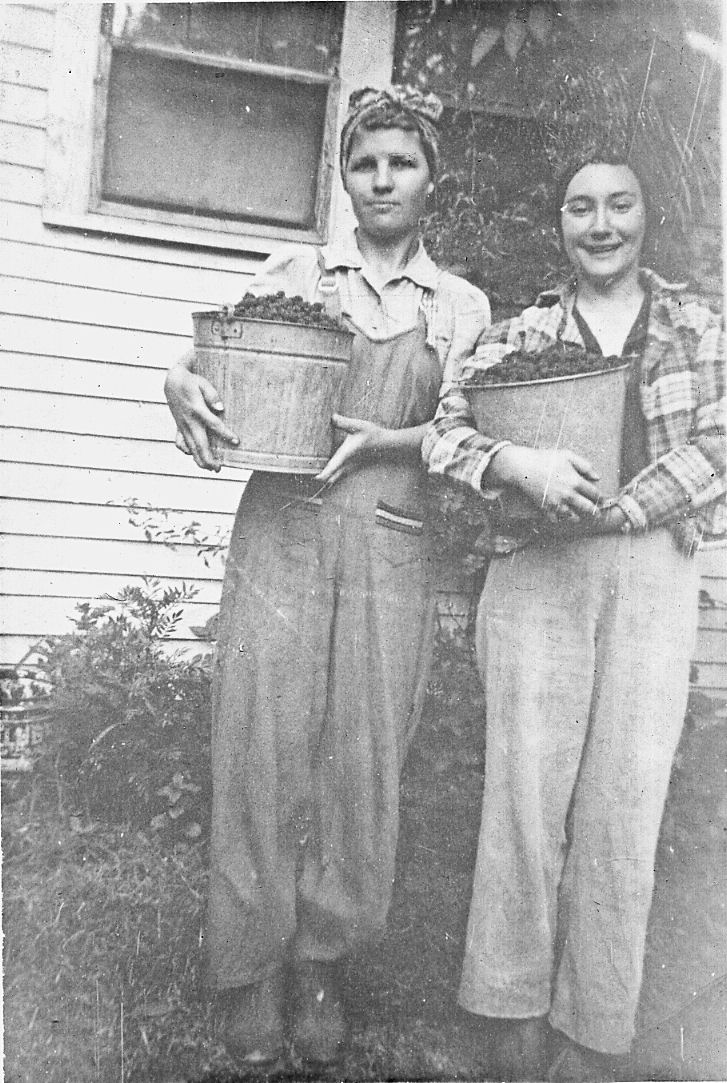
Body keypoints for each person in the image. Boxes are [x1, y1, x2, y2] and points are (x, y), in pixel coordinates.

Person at [164, 85, 491, 1067]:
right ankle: (252, 964)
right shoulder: (296, 272)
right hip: (283, 526)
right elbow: (217, 364)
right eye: (364, 163)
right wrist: (178, 379)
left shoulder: (460, 306)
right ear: (343, 177)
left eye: (400, 162)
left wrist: (398, 437)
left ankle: (322, 959)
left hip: (389, 538)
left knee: (363, 758)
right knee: (259, 740)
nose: (381, 179)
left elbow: (473, 435)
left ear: (432, 179)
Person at [423, 152, 725, 1081]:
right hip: (535, 574)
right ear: (558, 223)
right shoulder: (522, 333)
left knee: (623, 803)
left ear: (644, 218)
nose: (600, 225)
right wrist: (519, 466)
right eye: (581, 207)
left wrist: (630, 507)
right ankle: (506, 1009)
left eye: (619, 206)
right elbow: (444, 430)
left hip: (648, 571)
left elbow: (720, 439)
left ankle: (594, 1027)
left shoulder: (700, 326)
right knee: (522, 794)